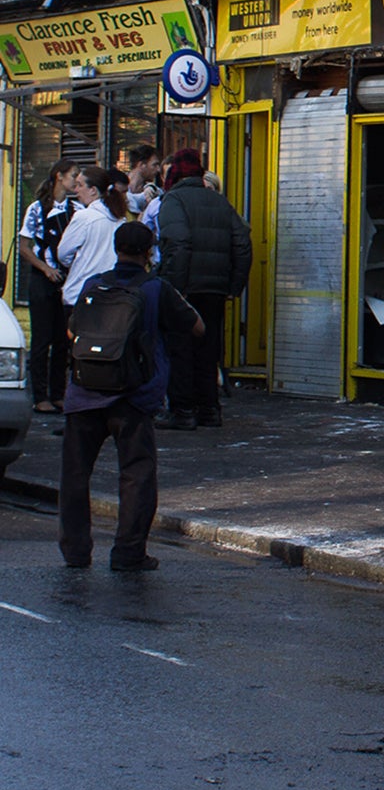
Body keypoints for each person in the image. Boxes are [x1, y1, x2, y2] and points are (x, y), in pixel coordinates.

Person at [58, 220, 203, 571]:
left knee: (75, 475)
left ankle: (76, 552)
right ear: (148, 252)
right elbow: (196, 327)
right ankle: (128, 553)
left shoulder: (94, 284)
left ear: (116, 248)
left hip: (83, 393)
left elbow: (71, 329)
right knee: (137, 474)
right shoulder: (156, 288)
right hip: (133, 397)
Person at [153, 149, 251, 428]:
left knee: (180, 348)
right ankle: (209, 409)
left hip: (186, 287)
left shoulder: (173, 200)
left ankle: (183, 410)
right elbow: (243, 243)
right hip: (215, 288)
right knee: (208, 348)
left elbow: (178, 243)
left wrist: (176, 287)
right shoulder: (220, 202)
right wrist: (234, 285)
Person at [17, 161, 80, 413]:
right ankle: (40, 395)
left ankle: (58, 393)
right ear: (59, 176)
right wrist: (45, 269)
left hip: (67, 281)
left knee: (62, 340)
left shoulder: (76, 209)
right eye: (73, 176)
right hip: (43, 279)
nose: (76, 181)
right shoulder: (37, 209)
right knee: (42, 340)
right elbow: (24, 246)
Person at [55, 166, 125, 315]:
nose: (76, 190)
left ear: (93, 190)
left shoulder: (84, 217)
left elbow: (63, 253)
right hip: (110, 296)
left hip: (79, 294)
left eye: (80, 185)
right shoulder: (120, 219)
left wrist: (76, 263)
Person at [118, 144, 161, 218]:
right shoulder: (118, 189)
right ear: (141, 165)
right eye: (154, 165)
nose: (158, 169)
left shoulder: (155, 191)